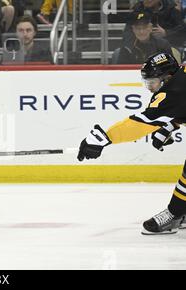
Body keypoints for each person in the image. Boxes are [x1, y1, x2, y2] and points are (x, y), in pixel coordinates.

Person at [77, 52, 186, 235]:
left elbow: (139, 124)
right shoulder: (181, 76)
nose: (150, 88)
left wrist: (104, 138)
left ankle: (175, 215)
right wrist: (170, 125)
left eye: (153, 82)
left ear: (166, 78)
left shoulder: (173, 91)